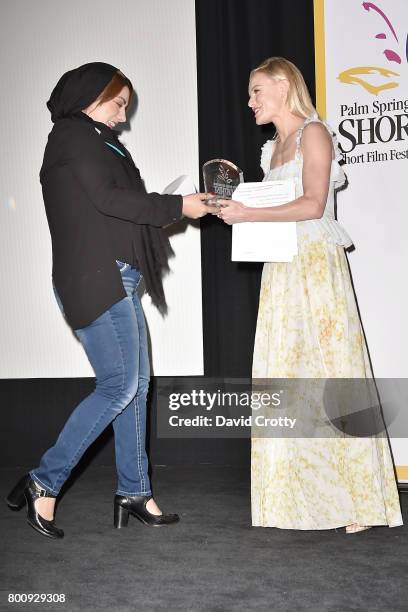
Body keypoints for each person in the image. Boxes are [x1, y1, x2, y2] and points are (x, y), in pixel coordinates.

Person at [6, 62, 209, 539]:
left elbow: (118, 205)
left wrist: (170, 207)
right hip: (97, 276)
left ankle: (134, 491)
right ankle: (43, 481)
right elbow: (110, 199)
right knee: (120, 385)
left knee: (136, 387)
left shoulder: (96, 140)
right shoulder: (73, 136)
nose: (123, 116)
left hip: (116, 276)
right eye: (119, 104)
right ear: (91, 95)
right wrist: (178, 206)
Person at [215, 57, 403, 532]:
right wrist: (238, 213)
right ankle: (295, 499)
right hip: (281, 269)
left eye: (257, 90)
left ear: (282, 87)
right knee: (286, 375)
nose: (250, 101)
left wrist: (249, 215)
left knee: (332, 371)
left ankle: (358, 501)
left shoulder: (314, 133)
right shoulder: (269, 150)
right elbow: (273, 208)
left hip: (316, 267)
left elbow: (314, 203)